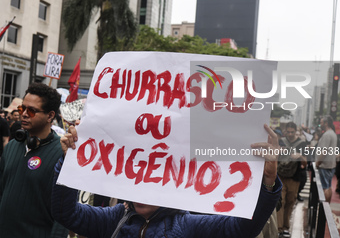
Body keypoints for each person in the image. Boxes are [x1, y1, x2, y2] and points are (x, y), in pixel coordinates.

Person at [51, 124, 282, 238]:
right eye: (135, 183)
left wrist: (268, 183)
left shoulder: (188, 224)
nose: (140, 193)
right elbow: (66, 214)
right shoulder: (115, 218)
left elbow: (242, 229)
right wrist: (68, 163)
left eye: (150, 185)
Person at [0, 83, 68, 238]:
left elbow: (64, 213)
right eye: (21, 108)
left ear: (50, 116)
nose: (24, 114)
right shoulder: (11, 146)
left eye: (31, 111)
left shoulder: (62, 153)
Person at [277, 122, 307, 238]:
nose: (290, 134)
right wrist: (279, 151)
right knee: (280, 201)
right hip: (281, 176)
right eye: (288, 132)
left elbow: (305, 163)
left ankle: (285, 227)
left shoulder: (302, 143)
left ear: (296, 131)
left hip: (295, 177)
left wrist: (299, 156)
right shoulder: (282, 141)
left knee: (290, 201)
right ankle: (279, 228)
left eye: (292, 132)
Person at [316, 116, 337, 203]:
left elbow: (324, 152)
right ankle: (326, 205)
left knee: (325, 187)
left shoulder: (327, 135)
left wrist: (318, 163)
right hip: (330, 164)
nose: (320, 124)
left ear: (326, 123)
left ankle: (324, 206)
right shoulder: (332, 133)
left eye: (321, 122)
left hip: (325, 165)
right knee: (328, 186)